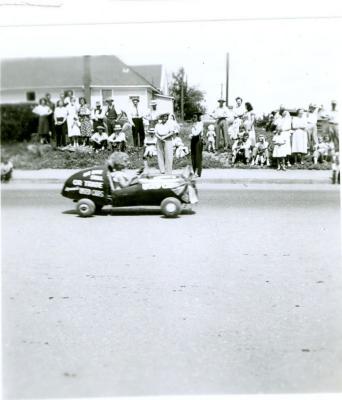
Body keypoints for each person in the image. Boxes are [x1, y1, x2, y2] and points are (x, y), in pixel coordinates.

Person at [189, 113, 204, 177]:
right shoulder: (194, 124)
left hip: (198, 141)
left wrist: (191, 135)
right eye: (193, 117)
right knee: (193, 157)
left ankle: (198, 173)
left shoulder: (200, 124)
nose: (194, 118)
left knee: (198, 157)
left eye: (195, 117)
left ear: (198, 118)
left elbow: (196, 133)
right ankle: (194, 171)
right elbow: (193, 133)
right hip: (193, 141)